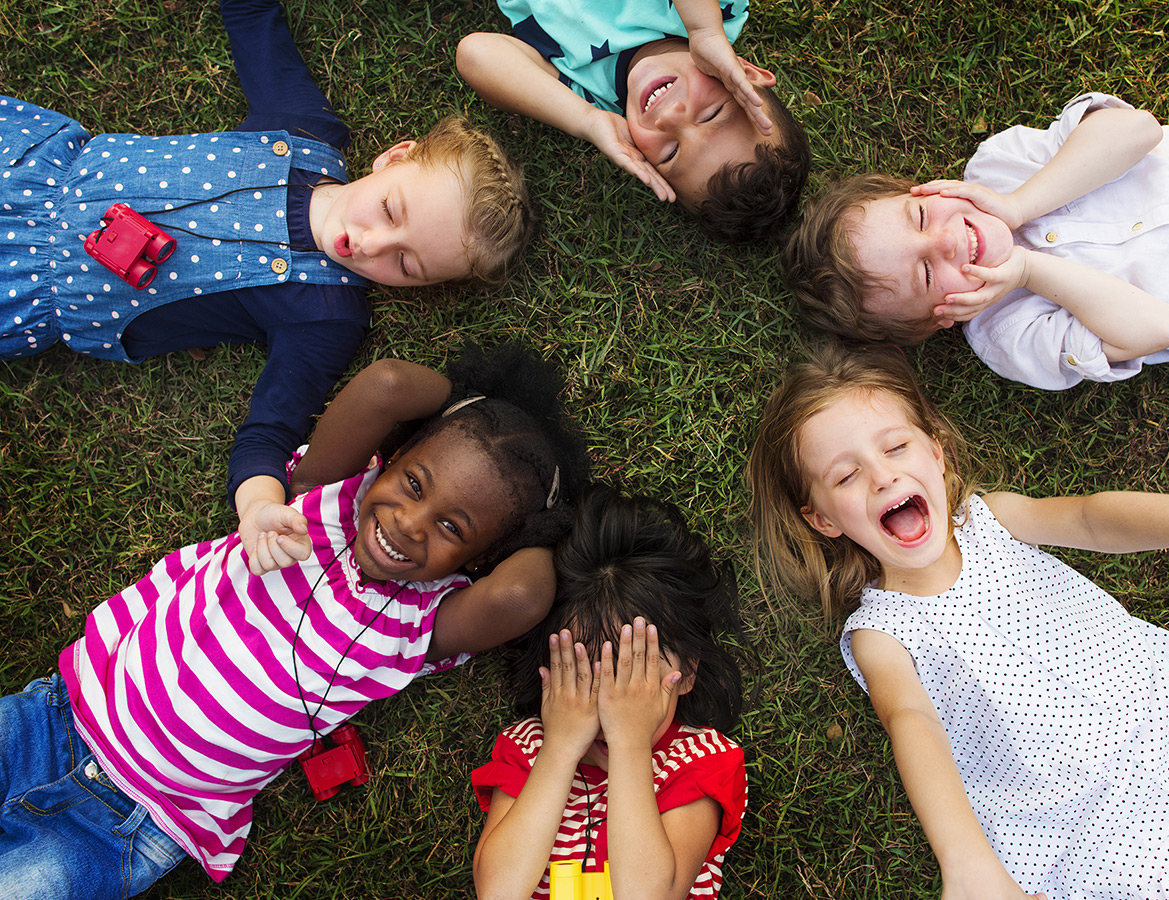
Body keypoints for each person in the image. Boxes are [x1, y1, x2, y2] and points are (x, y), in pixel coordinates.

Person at [0, 342, 588, 898]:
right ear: (392, 459)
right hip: (54, 718)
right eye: (413, 483)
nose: (411, 523)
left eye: (452, 528)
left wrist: (545, 527)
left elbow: (521, 597)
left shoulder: (422, 625)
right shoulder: (321, 500)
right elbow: (386, 384)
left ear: (479, 558)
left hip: (141, 821)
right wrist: (460, 404)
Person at [0, 0, 533, 556]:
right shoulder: (301, 129)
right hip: (26, 167)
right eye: (391, 211)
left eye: (405, 265)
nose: (372, 244)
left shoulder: (326, 314)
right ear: (395, 158)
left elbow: (269, 432)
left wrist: (258, 507)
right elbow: (254, 23)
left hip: (28, 285)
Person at [745, 342, 1169, 899]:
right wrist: (966, 865)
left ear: (937, 452)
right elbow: (912, 722)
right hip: (1079, 821)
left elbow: (1093, 518)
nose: (883, 477)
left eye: (895, 447)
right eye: (845, 477)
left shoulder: (994, 519)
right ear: (822, 520)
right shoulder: (880, 635)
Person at [782, 93, 1169, 390]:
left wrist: (1019, 204)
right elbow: (1162, 327)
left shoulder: (999, 164)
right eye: (927, 273)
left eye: (922, 217)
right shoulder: (1008, 336)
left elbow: (1139, 129)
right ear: (939, 318)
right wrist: (1029, 271)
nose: (946, 241)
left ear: (923, 190)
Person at [472, 486, 748, 900]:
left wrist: (631, 741)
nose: (608, 704)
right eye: (585, 673)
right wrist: (561, 745)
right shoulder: (529, 748)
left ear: (687, 672)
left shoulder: (701, 760)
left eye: (632, 674)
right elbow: (498, 892)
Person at [455, 0, 810, 245]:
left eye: (670, 153)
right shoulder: (717, 13)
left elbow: (475, 55)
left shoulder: (587, 97)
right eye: (712, 113)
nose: (671, 118)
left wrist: (588, 121)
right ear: (745, 74)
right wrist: (704, 30)